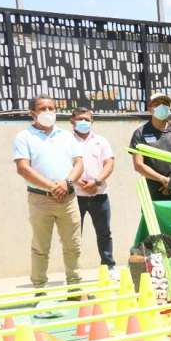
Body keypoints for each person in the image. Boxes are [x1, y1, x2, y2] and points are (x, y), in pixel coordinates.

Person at [13, 95, 83, 290]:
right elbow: (23, 168)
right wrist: (53, 187)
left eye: (51, 108)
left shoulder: (66, 135)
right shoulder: (24, 137)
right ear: (32, 113)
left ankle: (75, 287)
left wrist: (67, 183)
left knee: (73, 245)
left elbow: (79, 163)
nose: (48, 112)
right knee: (40, 247)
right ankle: (40, 289)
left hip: (68, 198)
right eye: (43, 108)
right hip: (40, 200)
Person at [70, 108, 119, 281]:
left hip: (100, 194)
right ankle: (73, 271)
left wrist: (96, 181)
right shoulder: (66, 141)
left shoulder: (101, 141)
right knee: (74, 236)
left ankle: (109, 267)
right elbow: (63, 164)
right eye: (80, 119)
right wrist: (77, 181)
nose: (84, 122)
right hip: (75, 196)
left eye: (87, 119)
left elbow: (109, 163)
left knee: (104, 233)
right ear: (72, 121)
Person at [130, 93, 171, 199]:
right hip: (151, 191)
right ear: (150, 108)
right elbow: (138, 165)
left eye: (165, 104)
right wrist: (162, 179)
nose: (162, 107)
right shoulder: (140, 133)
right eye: (157, 104)